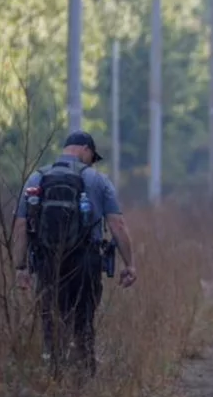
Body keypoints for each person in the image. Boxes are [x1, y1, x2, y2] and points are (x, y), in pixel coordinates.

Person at [12, 131, 137, 380]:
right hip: (86, 261)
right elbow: (118, 225)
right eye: (92, 157)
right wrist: (130, 264)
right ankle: (84, 379)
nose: (92, 162)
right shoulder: (98, 180)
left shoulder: (37, 177)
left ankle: (54, 377)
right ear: (85, 150)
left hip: (47, 261)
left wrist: (21, 267)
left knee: (51, 319)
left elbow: (20, 225)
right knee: (83, 320)